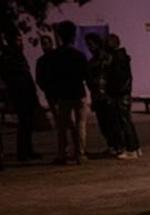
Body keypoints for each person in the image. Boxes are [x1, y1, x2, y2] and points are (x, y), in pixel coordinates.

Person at [38, 21, 88, 164]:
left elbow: (50, 76)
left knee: (62, 126)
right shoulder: (79, 55)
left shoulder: (54, 57)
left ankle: (62, 154)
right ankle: (80, 154)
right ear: (73, 36)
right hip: (78, 92)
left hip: (62, 95)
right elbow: (86, 75)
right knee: (80, 124)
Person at [0, 34, 40, 161]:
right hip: (20, 94)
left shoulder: (18, 55)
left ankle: (28, 150)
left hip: (27, 94)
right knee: (24, 123)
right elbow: (8, 75)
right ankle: (23, 152)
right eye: (17, 40)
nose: (20, 43)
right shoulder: (9, 56)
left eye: (20, 40)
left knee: (28, 124)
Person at [84, 33, 120, 156]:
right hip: (97, 97)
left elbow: (112, 76)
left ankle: (117, 146)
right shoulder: (91, 61)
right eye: (88, 45)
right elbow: (89, 79)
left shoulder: (107, 58)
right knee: (103, 124)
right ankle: (111, 145)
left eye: (91, 44)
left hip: (108, 96)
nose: (89, 47)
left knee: (112, 123)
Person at [106, 34, 140, 159]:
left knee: (124, 121)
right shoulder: (120, 57)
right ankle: (135, 147)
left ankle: (131, 149)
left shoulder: (117, 58)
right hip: (122, 94)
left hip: (120, 95)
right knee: (126, 121)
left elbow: (119, 78)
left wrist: (117, 92)